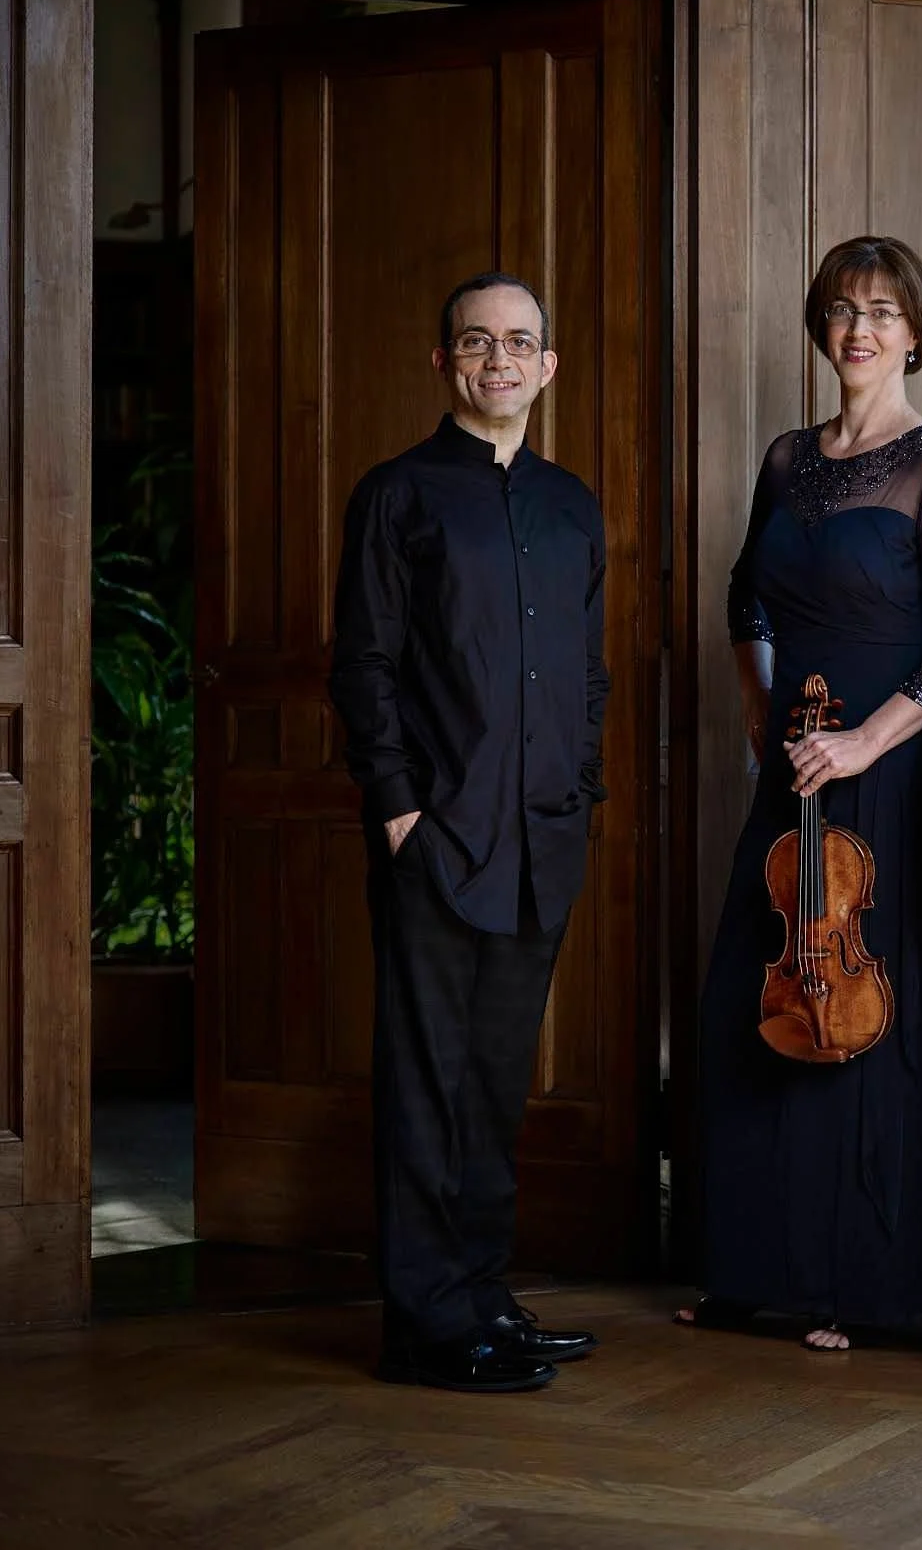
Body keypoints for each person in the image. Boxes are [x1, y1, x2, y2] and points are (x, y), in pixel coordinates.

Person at [684, 236, 922, 1352]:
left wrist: (868, 740)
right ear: (820, 329)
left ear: (915, 331)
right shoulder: (786, 460)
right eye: (839, 311)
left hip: (889, 764)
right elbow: (744, 604)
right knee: (758, 1002)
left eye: (880, 312)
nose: (858, 330)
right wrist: (761, 713)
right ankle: (750, 1268)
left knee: (870, 1012)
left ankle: (861, 1284)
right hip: (797, 759)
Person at [331, 272, 608, 1393]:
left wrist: (580, 790)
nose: (500, 360)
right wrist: (400, 811)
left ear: (546, 367)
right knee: (424, 1081)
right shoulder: (395, 496)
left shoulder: (572, 503)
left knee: (495, 1081)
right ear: (446, 362)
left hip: (544, 839)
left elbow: (586, 671)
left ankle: (482, 1296)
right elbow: (364, 664)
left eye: (521, 343)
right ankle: (426, 1325)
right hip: (438, 839)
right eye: (477, 342)